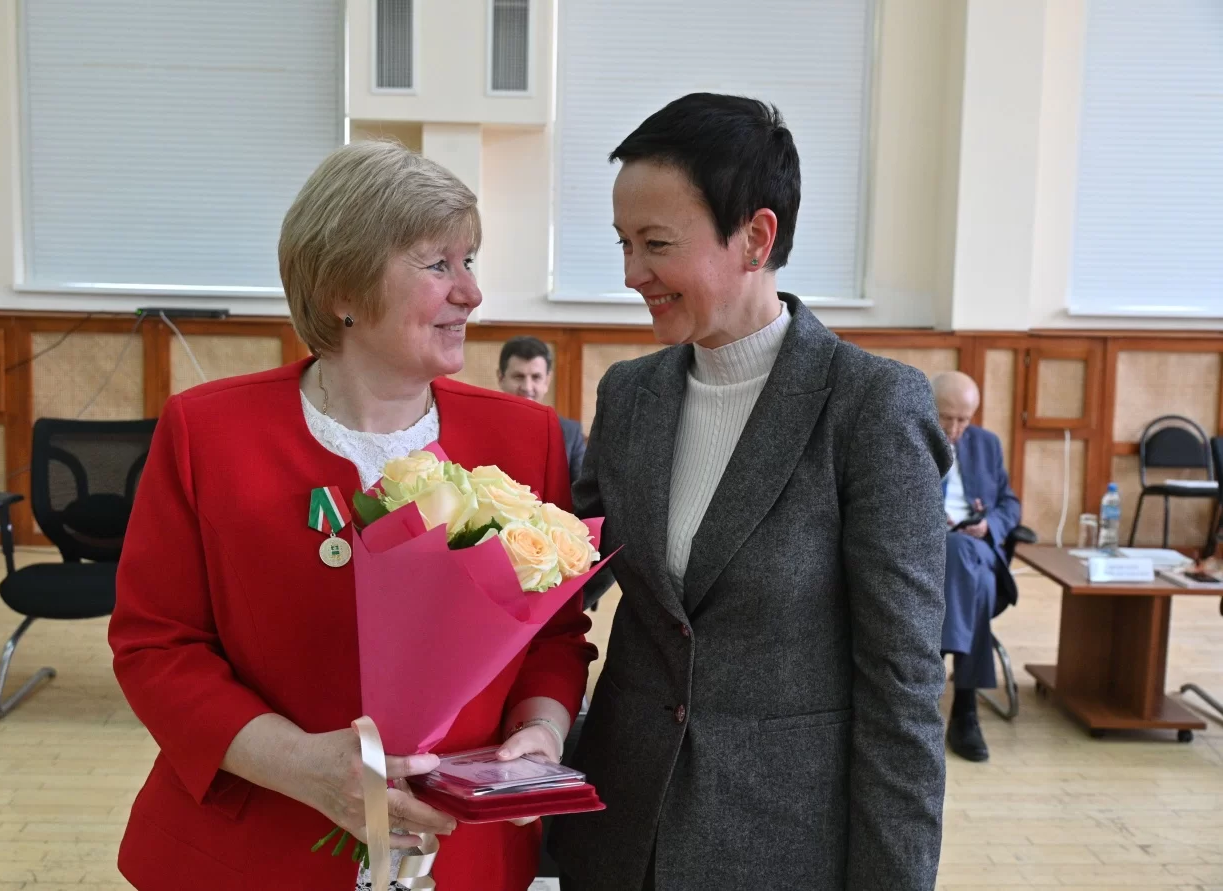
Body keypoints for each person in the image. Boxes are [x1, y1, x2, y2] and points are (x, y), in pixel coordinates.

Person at [107, 140, 594, 891]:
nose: (471, 292)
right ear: (343, 288)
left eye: (470, 261)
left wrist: (541, 730)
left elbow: (555, 636)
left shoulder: (524, 437)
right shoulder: (207, 431)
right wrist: (302, 765)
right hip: (253, 852)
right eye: (439, 265)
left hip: (461, 854)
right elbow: (156, 645)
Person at [547, 93, 951, 891]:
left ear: (756, 238)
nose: (631, 274)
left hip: (778, 847)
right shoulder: (630, 394)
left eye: (657, 244)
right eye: (624, 243)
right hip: (619, 838)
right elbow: (561, 578)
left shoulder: (868, 406)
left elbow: (901, 691)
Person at [933, 370, 1022, 763]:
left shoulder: (987, 444)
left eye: (963, 420)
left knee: (964, 552)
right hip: (928, 555)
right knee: (978, 585)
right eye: (946, 418)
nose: (955, 430)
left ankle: (932, 679)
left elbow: (1010, 504)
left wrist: (989, 525)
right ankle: (965, 710)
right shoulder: (906, 438)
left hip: (978, 546)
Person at [497, 336, 586, 481]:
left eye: (536, 377)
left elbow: (582, 490)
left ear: (547, 381)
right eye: (518, 376)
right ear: (501, 378)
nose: (527, 387)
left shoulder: (570, 433)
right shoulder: (481, 428)